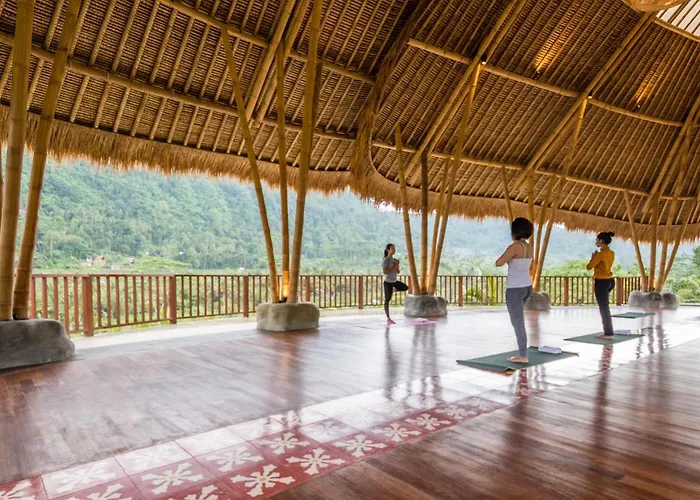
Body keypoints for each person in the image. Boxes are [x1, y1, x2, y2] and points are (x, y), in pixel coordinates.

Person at [495, 217, 534, 363]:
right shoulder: (529, 247)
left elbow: (499, 262)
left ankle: (523, 355)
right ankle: (522, 352)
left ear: (515, 231)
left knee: (518, 323)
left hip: (515, 289)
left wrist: (508, 255)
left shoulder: (515, 247)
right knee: (519, 320)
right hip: (527, 287)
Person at [587, 232, 616, 339]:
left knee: (604, 308)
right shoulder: (611, 253)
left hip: (602, 282)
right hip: (610, 281)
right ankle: (608, 332)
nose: (595, 241)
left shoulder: (600, 254)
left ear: (601, 241)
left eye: (597, 240)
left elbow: (589, 267)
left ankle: (608, 333)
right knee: (604, 307)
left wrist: (593, 258)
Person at [383, 243, 408, 324]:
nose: (394, 250)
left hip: (394, 281)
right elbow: (385, 271)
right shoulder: (386, 260)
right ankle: (388, 318)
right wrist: (394, 266)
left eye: (394, 248)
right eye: (392, 248)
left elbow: (398, 272)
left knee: (405, 287)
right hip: (388, 282)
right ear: (388, 250)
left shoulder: (394, 260)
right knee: (387, 300)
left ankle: (394, 290)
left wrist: (397, 265)